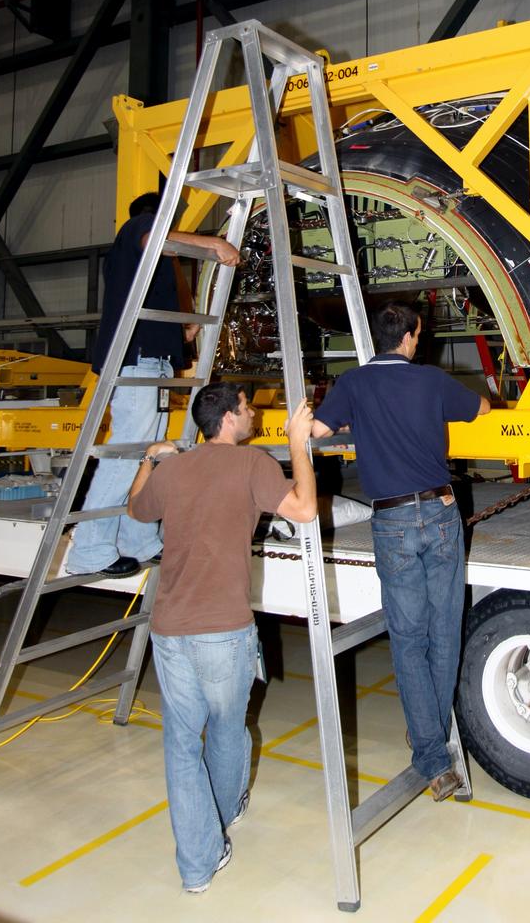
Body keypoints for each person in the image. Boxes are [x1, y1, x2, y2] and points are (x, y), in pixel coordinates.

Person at [128, 382, 317, 893]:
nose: (253, 413)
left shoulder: (175, 468)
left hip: (169, 629)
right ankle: (228, 811)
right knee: (229, 729)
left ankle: (197, 867)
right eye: (247, 407)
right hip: (224, 630)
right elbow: (303, 510)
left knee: (181, 743)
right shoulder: (253, 463)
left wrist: (152, 458)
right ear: (229, 420)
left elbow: (136, 510)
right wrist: (297, 444)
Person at [311, 303, 490, 801]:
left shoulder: (352, 383)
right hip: (439, 513)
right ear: (411, 337)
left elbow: (318, 432)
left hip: (389, 521)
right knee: (444, 631)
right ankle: (428, 732)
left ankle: (433, 756)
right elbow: (482, 410)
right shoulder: (430, 380)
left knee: (408, 638)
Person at [65, 192, 241, 577]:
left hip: (155, 362)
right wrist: (213, 243)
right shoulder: (138, 228)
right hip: (137, 360)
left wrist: (184, 331)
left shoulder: (152, 263)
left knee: (152, 452)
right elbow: (154, 236)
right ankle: (89, 550)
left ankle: (138, 539)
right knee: (127, 453)